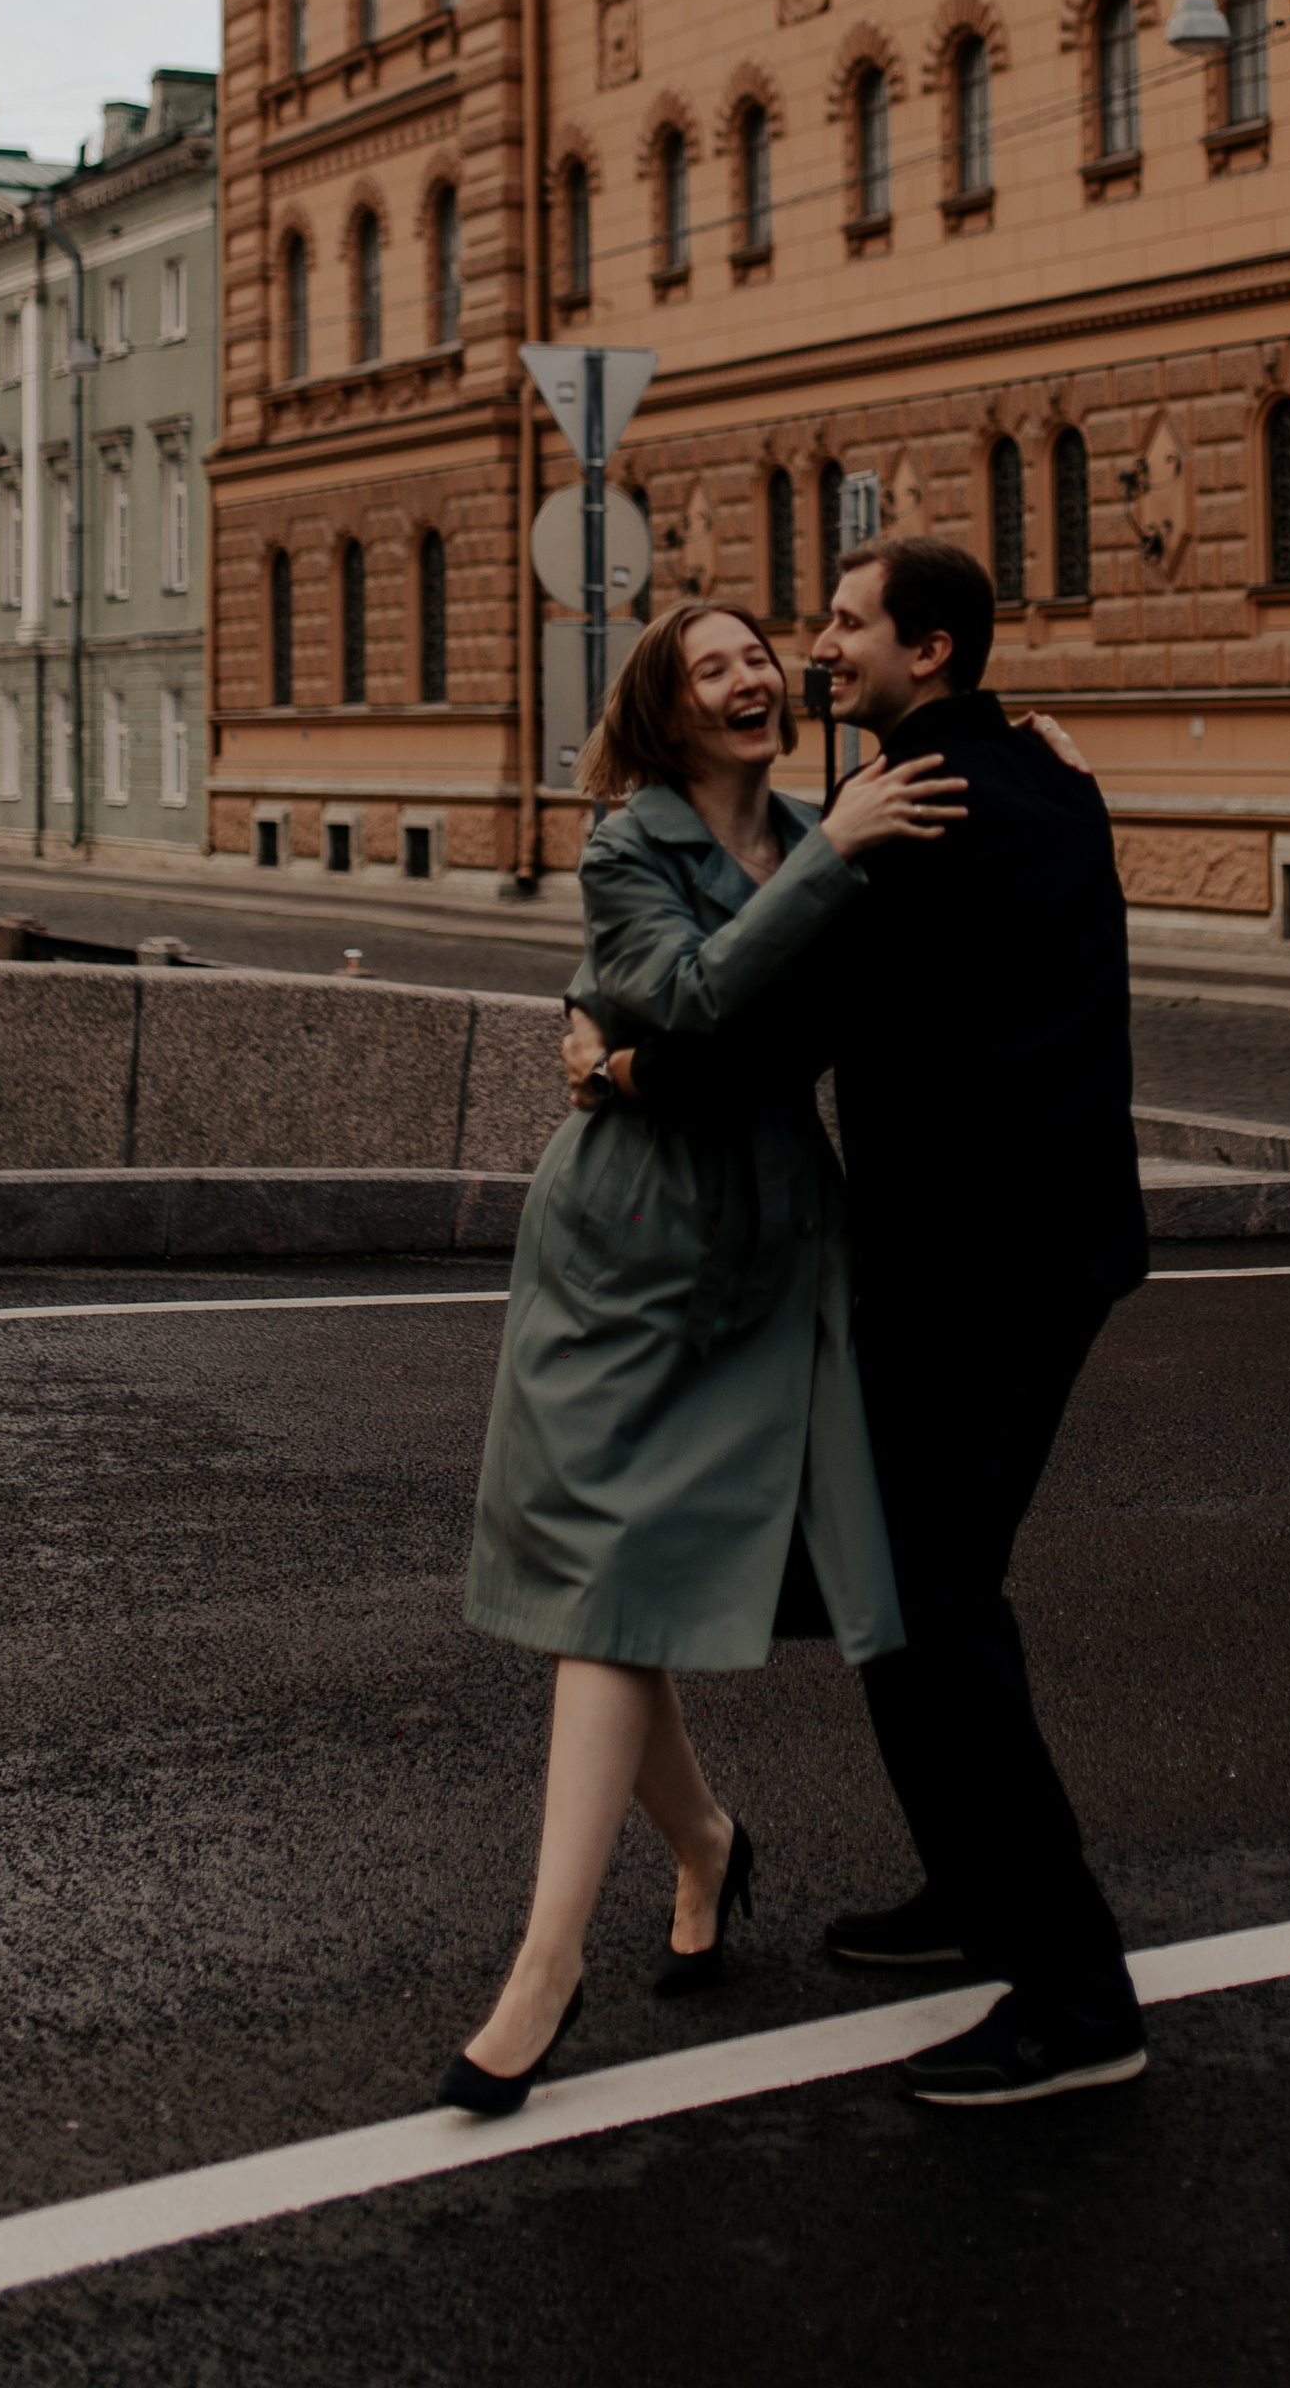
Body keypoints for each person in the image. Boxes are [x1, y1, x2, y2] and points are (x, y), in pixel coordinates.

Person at [437, 598, 964, 2119]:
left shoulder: (832, 820)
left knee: (625, 1590)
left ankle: (689, 1865)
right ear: (664, 713)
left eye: (755, 656)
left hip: (768, 1242)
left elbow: (792, 1009)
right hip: (623, 1240)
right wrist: (820, 869)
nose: (743, 675)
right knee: (602, 1591)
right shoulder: (633, 843)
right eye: (706, 664)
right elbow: (680, 991)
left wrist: (1043, 761)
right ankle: (568, 1950)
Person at [805, 535, 1151, 2107]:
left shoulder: (923, 808)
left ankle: (1076, 1995)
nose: (825, 645)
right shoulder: (1031, 772)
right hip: (1032, 1254)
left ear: (929, 651)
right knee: (905, 1591)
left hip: (975, 1270)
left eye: (847, 623)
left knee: (932, 1603)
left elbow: (780, 1005)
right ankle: (973, 1888)